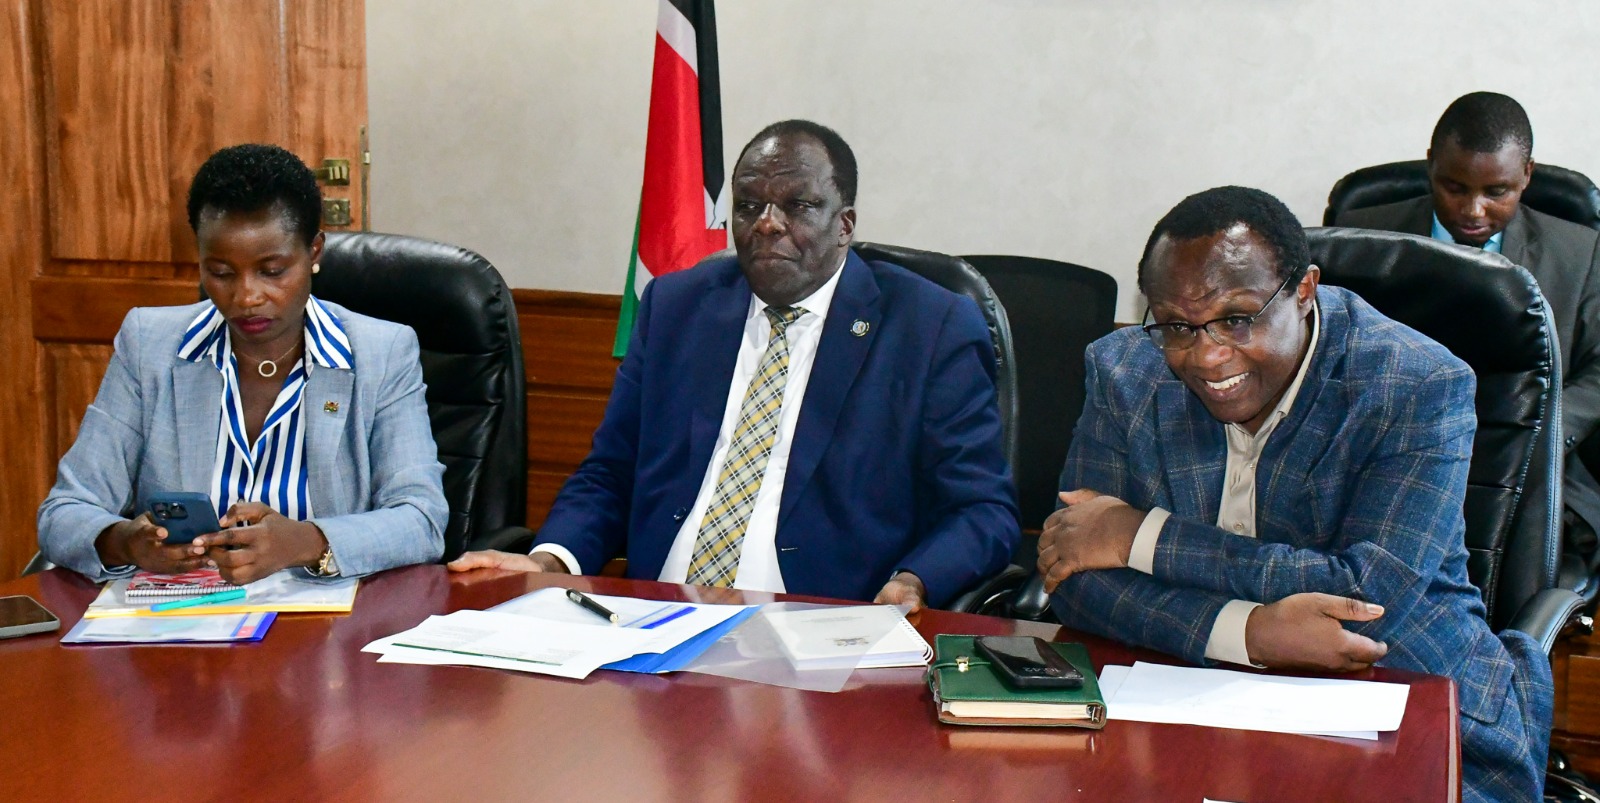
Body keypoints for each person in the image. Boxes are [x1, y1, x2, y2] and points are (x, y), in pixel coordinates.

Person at [1043, 186, 1552, 801]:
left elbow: (1363, 594)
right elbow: (1073, 575)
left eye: (1237, 318)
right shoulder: (1125, 372)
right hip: (1184, 703)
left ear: (1305, 290)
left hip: (1407, 695)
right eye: (1177, 326)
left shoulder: (1414, 383)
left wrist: (1139, 537)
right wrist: (1250, 634)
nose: (1206, 355)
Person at [449, 120, 1018, 610]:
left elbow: (981, 509)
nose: (766, 223)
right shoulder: (677, 307)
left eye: (797, 205)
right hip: (652, 627)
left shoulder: (929, 326)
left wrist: (914, 581)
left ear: (845, 226)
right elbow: (612, 472)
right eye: (748, 206)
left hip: (821, 632)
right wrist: (551, 561)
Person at [38, 144, 447, 583]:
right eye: (221, 272)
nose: (246, 297)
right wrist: (124, 541)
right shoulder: (149, 347)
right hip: (181, 625)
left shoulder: (381, 354)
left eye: (272, 271)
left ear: (314, 252)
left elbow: (421, 520)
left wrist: (305, 541)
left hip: (325, 627)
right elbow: (64, 511)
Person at [1335, 91, 1600, 571]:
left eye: (1496, 192)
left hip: (1526, 463)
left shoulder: (1580, 253)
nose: (1473, 210)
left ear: (1527, 176)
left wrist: (1542, 432)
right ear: (1430, 165)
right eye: (1454, 187)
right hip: (1389, 454)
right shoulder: (1360, 235)